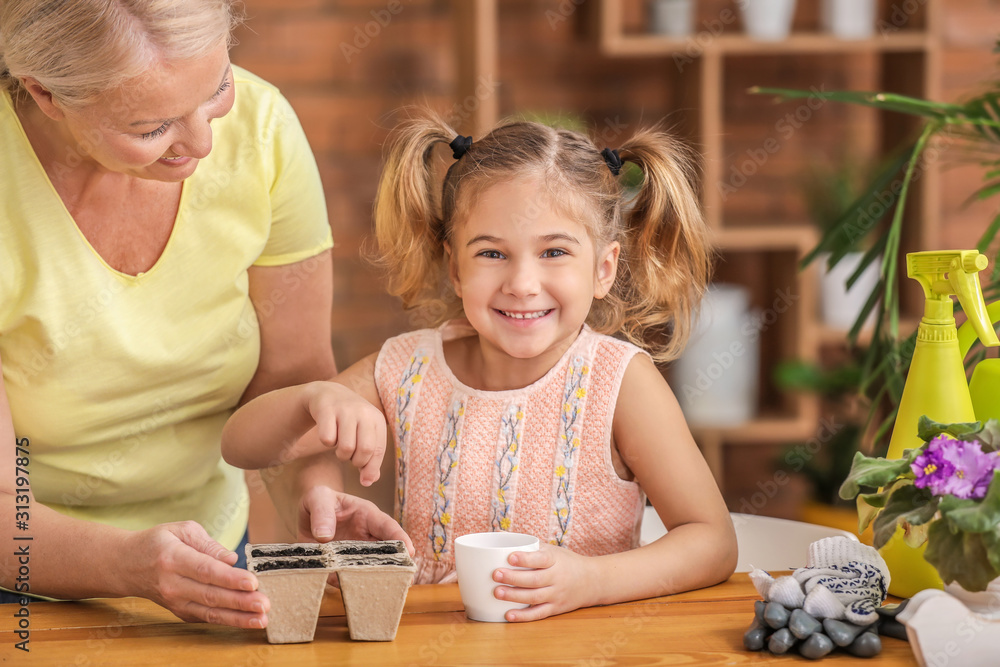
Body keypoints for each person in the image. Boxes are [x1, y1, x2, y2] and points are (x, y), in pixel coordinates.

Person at [222, 109, 738, 621]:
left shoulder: (619, 382)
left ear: (603, 268)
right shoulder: (408, 368)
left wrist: (592, 580)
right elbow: (241, 445)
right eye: (492, 254)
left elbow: (711, 541)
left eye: (554, 251)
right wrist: (314, 399)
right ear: (455, 267)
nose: (522, 283)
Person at [0, 0, 410, 629]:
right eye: (150, 127)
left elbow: (292, 384)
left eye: (217, 88)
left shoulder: (264, 128)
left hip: (207, 564)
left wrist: (315, 497)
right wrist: (127, 565)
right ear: (45, 94)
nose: (204, 143)